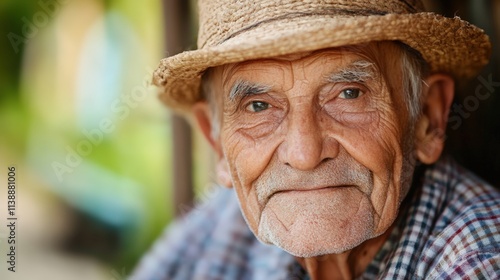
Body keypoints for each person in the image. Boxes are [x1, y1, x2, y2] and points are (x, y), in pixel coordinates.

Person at [132, 0, 500, 279]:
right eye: (259, 106)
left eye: (349, 94)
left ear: (428, 118)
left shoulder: (478, 261)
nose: (304, 154)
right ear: (217, 143)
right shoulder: (220, 225)